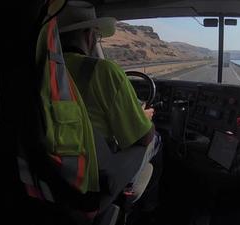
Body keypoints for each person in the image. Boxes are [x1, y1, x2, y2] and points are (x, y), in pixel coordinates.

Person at [57, 1, 162, 209]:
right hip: (95, 173)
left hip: (59, 171)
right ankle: (149, 207)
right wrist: (145, 118)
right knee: (156, 139)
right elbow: (142, 137)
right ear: (89, 35)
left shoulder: (48, 72)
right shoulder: (104, 71)